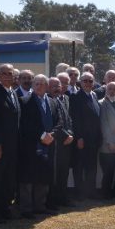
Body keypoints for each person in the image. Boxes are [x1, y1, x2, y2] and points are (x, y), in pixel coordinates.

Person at [18, 74, 60, 217]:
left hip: (49, 146)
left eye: (42, 83)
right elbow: (26, 123)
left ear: (47, 86)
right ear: (32, 85)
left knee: (43, 177)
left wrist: (51, 135)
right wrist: (42, 136)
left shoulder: (53, 102)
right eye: (36, 83)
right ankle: (26, 209)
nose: (39, 86)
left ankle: (40, 207)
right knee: (28, 179)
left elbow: (59, 122)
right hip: (31, 146)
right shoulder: (24, 101)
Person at [0, 64, 21, 222]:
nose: (8, 76)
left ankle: (6, 208)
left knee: (9, 179)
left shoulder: (13, 92)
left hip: (13, 146)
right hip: (1, 146)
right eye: (4, 73)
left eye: (10, 73)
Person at [72, 71, 102, 200]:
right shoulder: (76, 97)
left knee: (92, 166)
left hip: (94, 139)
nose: (88, 83)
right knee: (79, 166)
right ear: (80, 82)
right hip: (82, 138)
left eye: (91, 81)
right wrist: (79, 137)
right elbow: (75, 119)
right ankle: (79, 192)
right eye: (85, 81)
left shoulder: (94, 95)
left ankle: (91, 191)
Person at [46, 77, 75, 209]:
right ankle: (52, 200)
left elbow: (68, 119)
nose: (58, 88)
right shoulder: (48, 100)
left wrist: (71, 134)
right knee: (54, 173)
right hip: (54, 142)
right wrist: (65, 134)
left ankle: (62, 197)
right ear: (48, 87)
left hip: (66, 142)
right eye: (54, 86)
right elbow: (55, 123)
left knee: (63, 172)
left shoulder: (63, 99)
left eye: (59, 85)